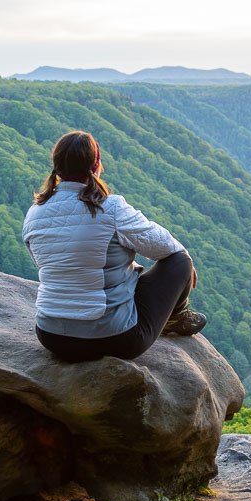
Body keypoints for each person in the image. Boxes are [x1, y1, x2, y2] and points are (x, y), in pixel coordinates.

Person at [23, 130, 205, 363]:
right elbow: (165, 247)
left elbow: (50, 263)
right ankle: (176, 318)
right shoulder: (110, 207)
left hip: (51, 335)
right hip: (114, 338)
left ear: (56, 167)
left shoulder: (34, 213)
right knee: (180, 261)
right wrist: (184, 266)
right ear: (96, 165)